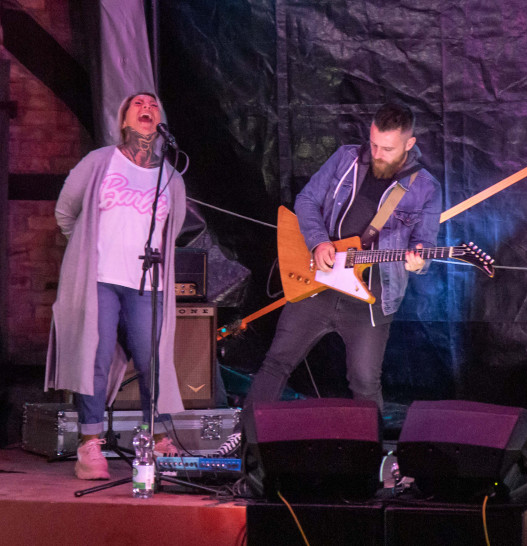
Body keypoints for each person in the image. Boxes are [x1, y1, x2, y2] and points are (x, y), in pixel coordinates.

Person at [217, 102, 442, 456]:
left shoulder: (425, 187)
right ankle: (244, 442)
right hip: (317, 283)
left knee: (365, 381)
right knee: (277, 362)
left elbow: (424, 245)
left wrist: (418, 263)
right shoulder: (345, 158)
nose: (377, 153)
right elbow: (307, 200)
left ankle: (369, 457)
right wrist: (318, 241)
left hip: (371, 297)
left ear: (409, 144)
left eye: (388, 148)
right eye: (374, 144)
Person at [45, 92, 187, 480]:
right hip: (100, 280)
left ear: (160, 121)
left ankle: (156, 438)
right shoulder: (99, 162)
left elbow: (170, 233)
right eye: (137, 104)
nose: (147, 107)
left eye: (154, 104)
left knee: (152, 361)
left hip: (147, 285)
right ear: (124, 119)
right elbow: (65, 213)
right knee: (95, 355)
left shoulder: (170, 177)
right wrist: (85, 254)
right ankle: (90, 444)